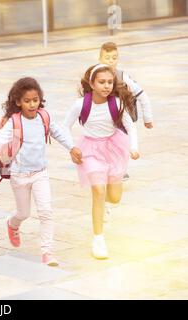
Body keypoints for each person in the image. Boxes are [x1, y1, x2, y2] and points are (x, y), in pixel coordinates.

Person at [0, 77, 82, 266]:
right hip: (19, 175)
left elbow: (59, 132)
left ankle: (48, 253)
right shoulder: (14, 122)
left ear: (40, 100)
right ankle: (12, 224)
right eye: (27, 101)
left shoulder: (44, 117)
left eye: (35, 100)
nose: (32, 104)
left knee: (46, 212)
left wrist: (72, 147)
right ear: (18, 102)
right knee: (23, 213)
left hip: (40, 174)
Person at [63, 64, 140, 259]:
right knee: (98, 189)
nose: (106, 86)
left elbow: (130, 127)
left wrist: (133, 147)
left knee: (114, 197)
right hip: (90, 150)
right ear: (92, 83)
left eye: (109, 82)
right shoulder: (81, 104)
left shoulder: (116, 103)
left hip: (114, 149)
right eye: (101, 82)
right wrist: (71, 147)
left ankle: (105, 203)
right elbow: (64, 127)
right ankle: (98, 239)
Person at [99, 41, 152, 181]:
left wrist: (148, 118)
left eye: (114, 58)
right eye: (107, 58)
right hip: (101, 116)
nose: (111, 61)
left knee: (119, 143)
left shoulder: (123, 76)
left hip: (119, 115)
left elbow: (142, 95)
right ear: (100, 59)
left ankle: (120, 170)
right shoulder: (94, 76)